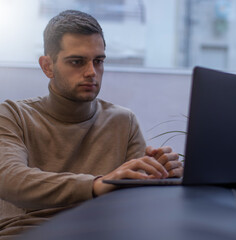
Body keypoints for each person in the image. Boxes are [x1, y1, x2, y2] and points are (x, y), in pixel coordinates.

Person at [0, 10, 183, 238]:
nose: (91, 73)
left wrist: (164, 174)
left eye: (98, 61)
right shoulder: (12, 115)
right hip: (31, 231)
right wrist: (97, 185)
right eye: (77, 62)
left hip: (103, 230)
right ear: (47, 66)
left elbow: (137, 200)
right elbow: (10, 180)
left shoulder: (123, 121)